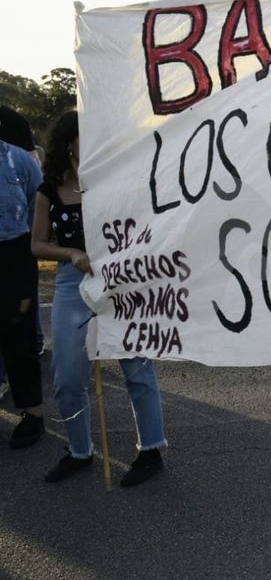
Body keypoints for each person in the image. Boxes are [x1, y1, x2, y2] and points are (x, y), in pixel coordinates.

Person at [31, 111, 168, 486]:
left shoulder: (114, 181)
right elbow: (37, 243)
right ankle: (79, 451)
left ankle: (152, 449)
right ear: (68, 143)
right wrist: (71, 255)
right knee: (68, 376)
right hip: (71, 284)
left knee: (136, 366)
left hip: (119, 280)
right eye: (83, 136)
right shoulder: (48, 189)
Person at [0, 105, 45, 448]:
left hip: (15, 255)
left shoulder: (18, 160)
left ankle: (32, 415)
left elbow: (37, 204)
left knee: (20, 336)